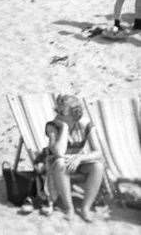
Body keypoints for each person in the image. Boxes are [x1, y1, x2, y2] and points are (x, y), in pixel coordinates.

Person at [44, 93, 106, 222]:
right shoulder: (52, 126)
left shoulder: (85, 124)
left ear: (74, 113)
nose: (58, 114)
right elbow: (59, 153)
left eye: (62, 111)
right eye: (58, 110)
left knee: (98, 166)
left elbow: (99, 152)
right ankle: (69, 208)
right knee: (61, 162)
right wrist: (65, 127)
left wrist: (79, 158)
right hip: (56, 165)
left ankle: (85, 208)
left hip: (76, 162)